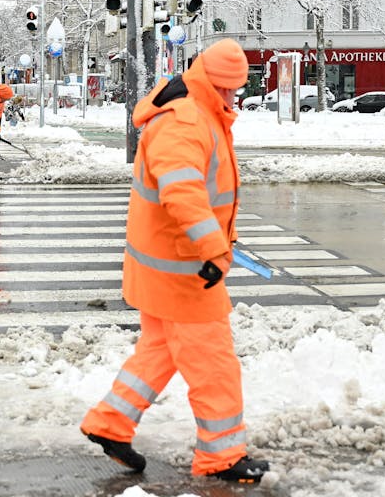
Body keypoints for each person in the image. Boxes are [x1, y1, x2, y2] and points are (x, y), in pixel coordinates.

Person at [79, 39, 270, 484]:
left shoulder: (200, 112)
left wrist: (223, 241)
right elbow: (182, 194)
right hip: (185, 270)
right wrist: (213, 248)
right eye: (227, 89)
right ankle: (221, 457)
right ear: (211, 82)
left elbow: (208, 193)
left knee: (159, 353)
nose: (233, 98)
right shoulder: (186, 121)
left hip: (169, 266)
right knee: (215, 364)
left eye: (236, 90)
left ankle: (109, 423)